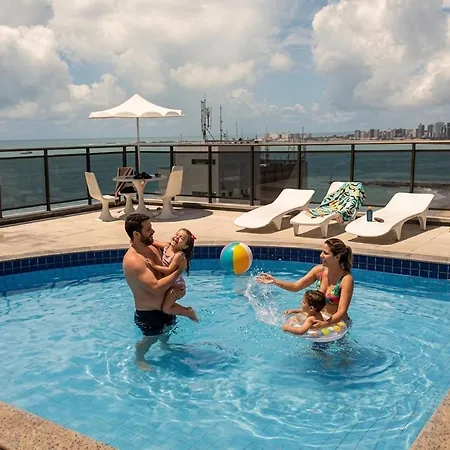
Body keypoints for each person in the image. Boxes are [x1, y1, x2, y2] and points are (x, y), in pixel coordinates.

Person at [122, 213, 186, 370]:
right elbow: (156, 288)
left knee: (167, 331)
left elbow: (172, 251)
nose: (153, 231)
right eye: (148, 229)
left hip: (165, 307)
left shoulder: (152, 247)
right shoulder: (134, 260)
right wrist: (179, 271)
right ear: (137, 234)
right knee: (151, 338)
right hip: (149, 314)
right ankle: (139, 358)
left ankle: (165, 347)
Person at [256, 238, 354, 329]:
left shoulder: (346, 279)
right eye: (321, 252)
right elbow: (296, 286)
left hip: (337, 324)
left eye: (325, 253)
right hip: (320, 319)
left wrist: (324, 324)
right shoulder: (319, 271)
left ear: (337, 257)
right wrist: (275, 281)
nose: (321, 255)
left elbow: (341, 311)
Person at [146, 229, 199, 322]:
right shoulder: (167, 246)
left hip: (177, 288)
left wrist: (154, 266)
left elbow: (169, 270)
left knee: (166, 308)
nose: (177, 237)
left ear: (185, 246)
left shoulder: (178, 255)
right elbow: (154, 242)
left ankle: (189, 312)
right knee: (165, 306)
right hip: (170, 284)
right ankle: (185, 310)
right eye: (177, 234)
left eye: (181, 238)